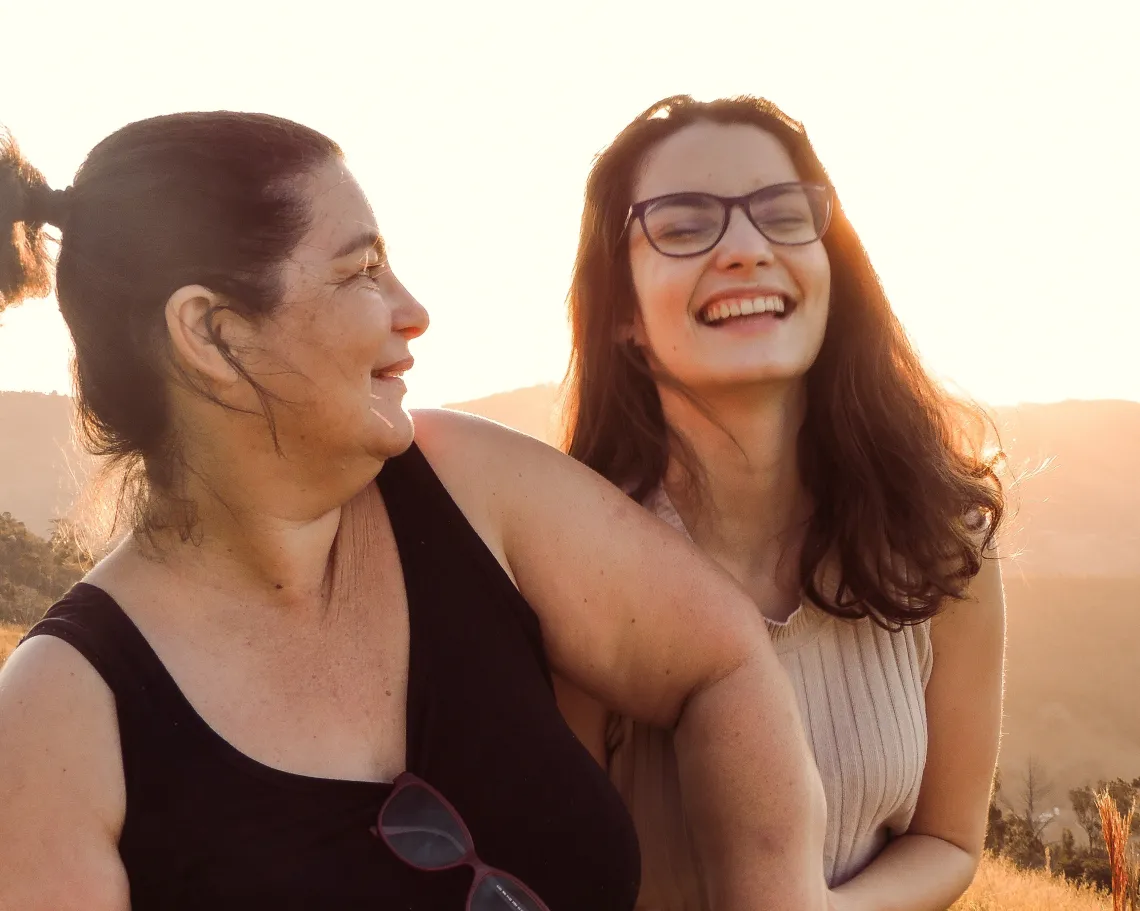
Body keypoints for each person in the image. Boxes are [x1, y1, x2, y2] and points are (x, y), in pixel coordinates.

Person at [0, 113, 827, 911]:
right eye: (361, 271)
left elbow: (723, 663)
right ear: (213, 335)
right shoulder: (57, 714)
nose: (412, 309)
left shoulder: (466, 481)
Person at [557, 95, 1007, 911]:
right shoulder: (571, 567)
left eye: (782, 214)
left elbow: (949, 838)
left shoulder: (942, 540)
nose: (745, 249)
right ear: (623, 310)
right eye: (686, 224)